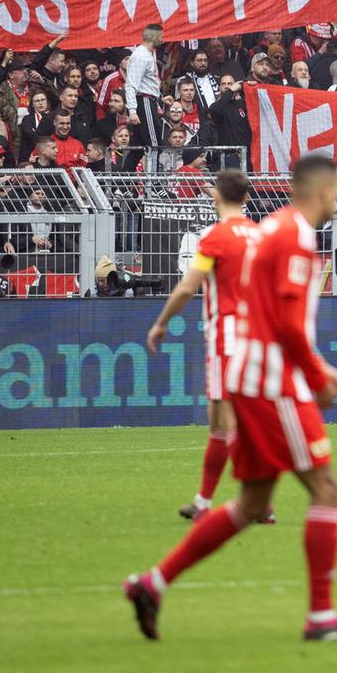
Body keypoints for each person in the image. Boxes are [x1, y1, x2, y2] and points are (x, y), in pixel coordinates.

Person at [123, 155, 337, 643]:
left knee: (251, 504)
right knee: (325, 489)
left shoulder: (273, 228)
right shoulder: (297, 236)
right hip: (271, 379)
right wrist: (317, 375)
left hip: (246, 369)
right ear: (324, 190)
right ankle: (321, 617)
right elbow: (285, 322)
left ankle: (151, 584)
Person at [145, 170, 267, 522]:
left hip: (227, 337)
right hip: (258, 335)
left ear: (216, 196)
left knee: (229, 423)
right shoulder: (261, 236)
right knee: (220, 422)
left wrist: (161, 322)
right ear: (245, 198)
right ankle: (203, 501)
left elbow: (187, 288)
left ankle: (260, 500)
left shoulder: (214, 237)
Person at [125, 23, 165, 152]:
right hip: (144, 101)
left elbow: (148, 83)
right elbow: (131, 84)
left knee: (138, 147)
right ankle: (154, 173)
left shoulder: (147, 54)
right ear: (155, 38)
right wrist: (132, 111)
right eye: (161, 37)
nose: (163, 40)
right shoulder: (141, 56)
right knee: (154, 144)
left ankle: (127, 172)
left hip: (148, 101)